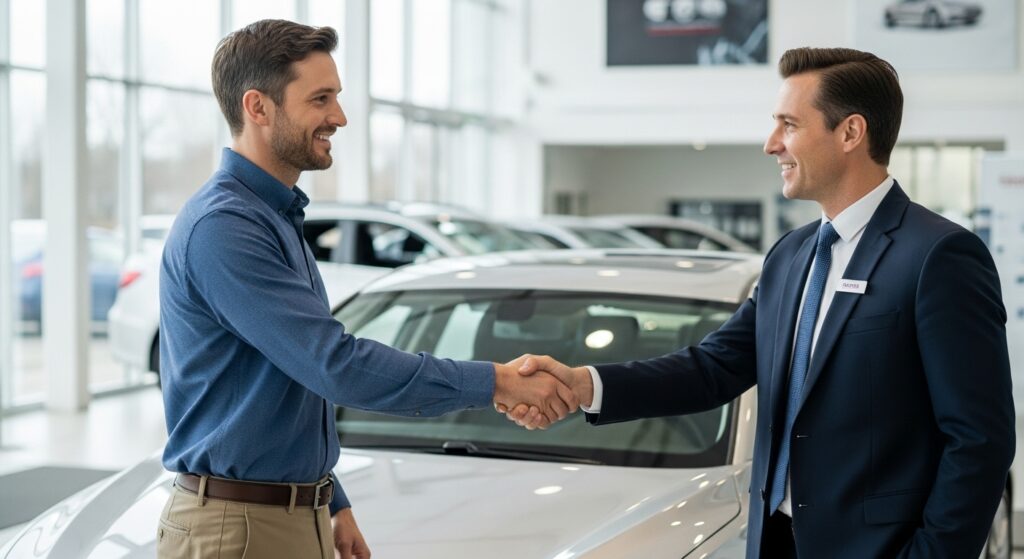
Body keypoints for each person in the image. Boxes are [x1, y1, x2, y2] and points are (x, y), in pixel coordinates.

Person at [504, 47, 1015, 558]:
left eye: (789, 125)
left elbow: (978, 440)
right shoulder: (791, 255)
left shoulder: (937, 255)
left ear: (850, 133)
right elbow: (713, 368)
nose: (772, 145)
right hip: (773, 541)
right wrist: (584, 385)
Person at [156, 19, 575, 559]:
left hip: (278, 516)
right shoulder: (225, 227)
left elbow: (295, 381)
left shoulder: (273, 215)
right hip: (239, 531)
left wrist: (330, 499)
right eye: (321, 98)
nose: (340, 116)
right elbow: (336, 366)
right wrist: (495, 381)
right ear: (257, 107)